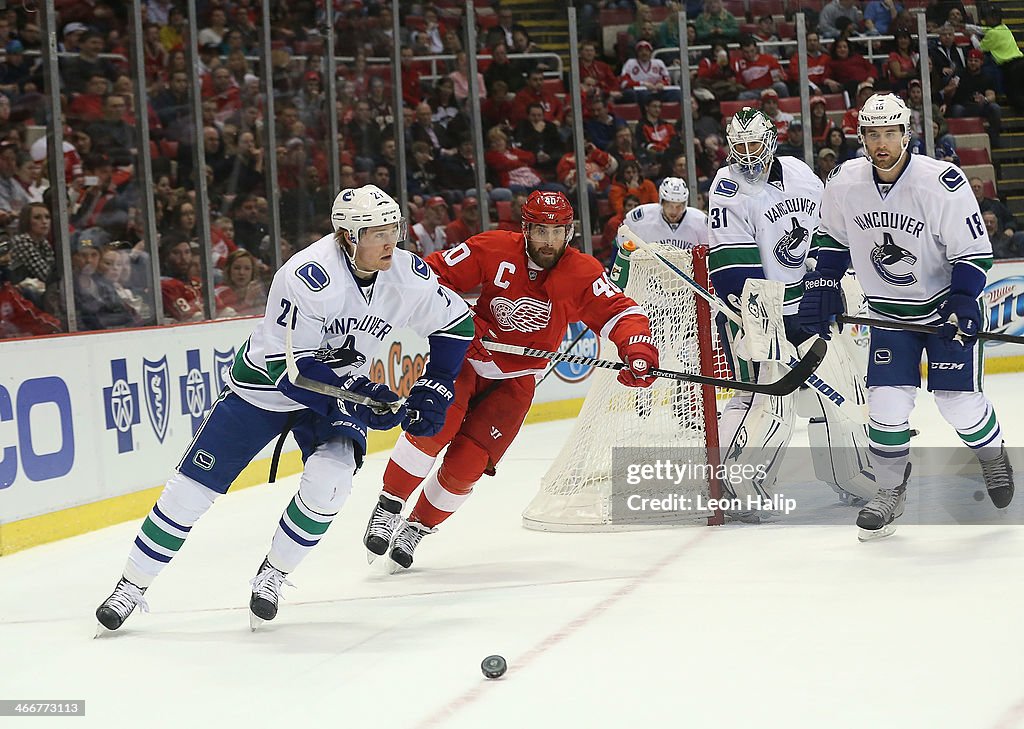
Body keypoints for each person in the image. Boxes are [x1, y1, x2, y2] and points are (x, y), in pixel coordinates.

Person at [94, 185, 474, 631]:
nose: (391, 240)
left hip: (335, 391)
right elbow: (290, 371)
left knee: (330, 483)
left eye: (394, 228)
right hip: (265, 388)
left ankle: (274, 575)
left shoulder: (405, 274)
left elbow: (455, 322)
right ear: (349, 236)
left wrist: (438, 381)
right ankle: (131, 587)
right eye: (377, 232)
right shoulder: (308, 275)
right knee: (190, 491)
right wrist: (362, 395)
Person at [363, 191, 660, 570]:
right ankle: (389, 505)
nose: (549, 241)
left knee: (469, 463)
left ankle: (417, 527)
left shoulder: (582, 272)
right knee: (433, 429)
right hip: (466, 363)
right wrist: (463, 319)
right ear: (525, 229)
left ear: (569, 232)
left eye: (557, 232)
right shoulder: (493, 248)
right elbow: (430, 275)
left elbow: (620, 312)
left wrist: (637, 349)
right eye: (541, 231)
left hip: (518, 380)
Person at [797, 93, 1014, 541]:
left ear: (905, 133)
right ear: (861, 136)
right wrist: (823, 287)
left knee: (958, 404)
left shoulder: (941, 183)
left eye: (889, 133)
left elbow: (974, 253)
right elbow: (832, 241)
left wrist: (963, 300)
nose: (881, 143)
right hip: (888, 316)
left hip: (941, 310)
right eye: (872, 134)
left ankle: (992, 455)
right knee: (886, 407)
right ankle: (889, 491)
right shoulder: (843, 181)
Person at [708, 108, 873, 511]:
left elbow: (826, 230)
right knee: (768, 396)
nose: (747, 155)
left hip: (805, 308)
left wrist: (824, 284)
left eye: (754, 144)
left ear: (771, 141)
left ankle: (849, 472)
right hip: (754, 312)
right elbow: (733, 268)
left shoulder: (799, 173)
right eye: (739, 146)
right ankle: (737, 481)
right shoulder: (726, 188)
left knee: (840, 391)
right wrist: (774, 322)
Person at [618, 177, 707, 250]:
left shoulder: (700, 221)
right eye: (669, 205)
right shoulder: (640, 219)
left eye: (679, 206)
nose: (674, 211)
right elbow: (622, 248)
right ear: (661, 202)